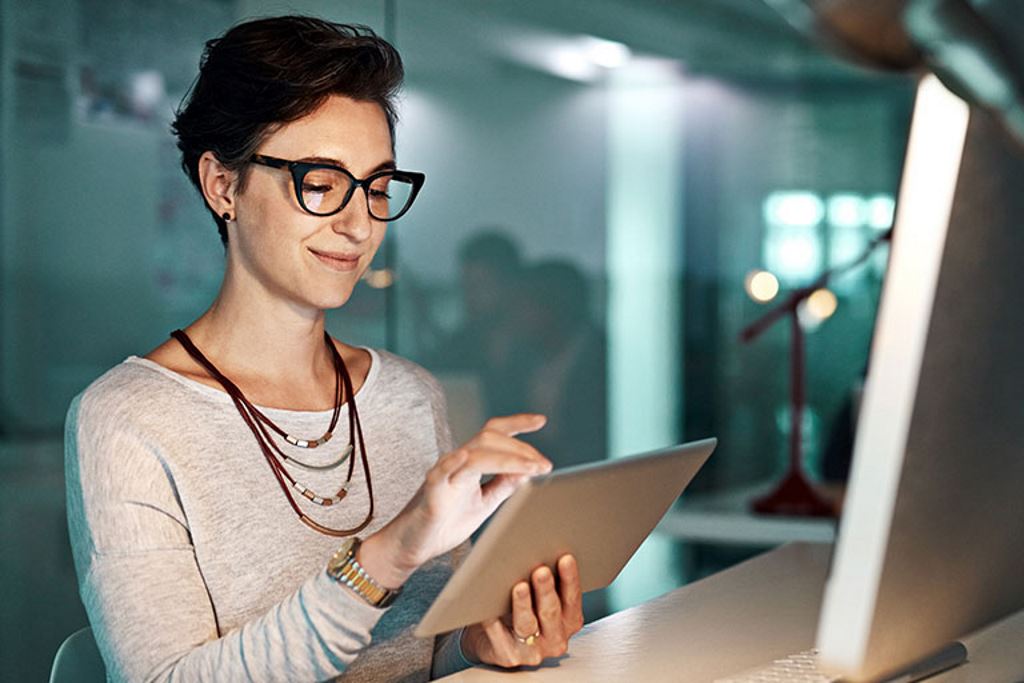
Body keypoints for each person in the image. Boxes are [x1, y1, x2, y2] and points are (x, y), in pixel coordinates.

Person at [64, 16, 583, 682]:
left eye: (374, 185)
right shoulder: (128, 420)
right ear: (223, 185)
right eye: (320, 181)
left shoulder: (408, 394)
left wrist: (477, 644)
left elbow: (416, 654)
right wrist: (383, 555)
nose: (359, 222)